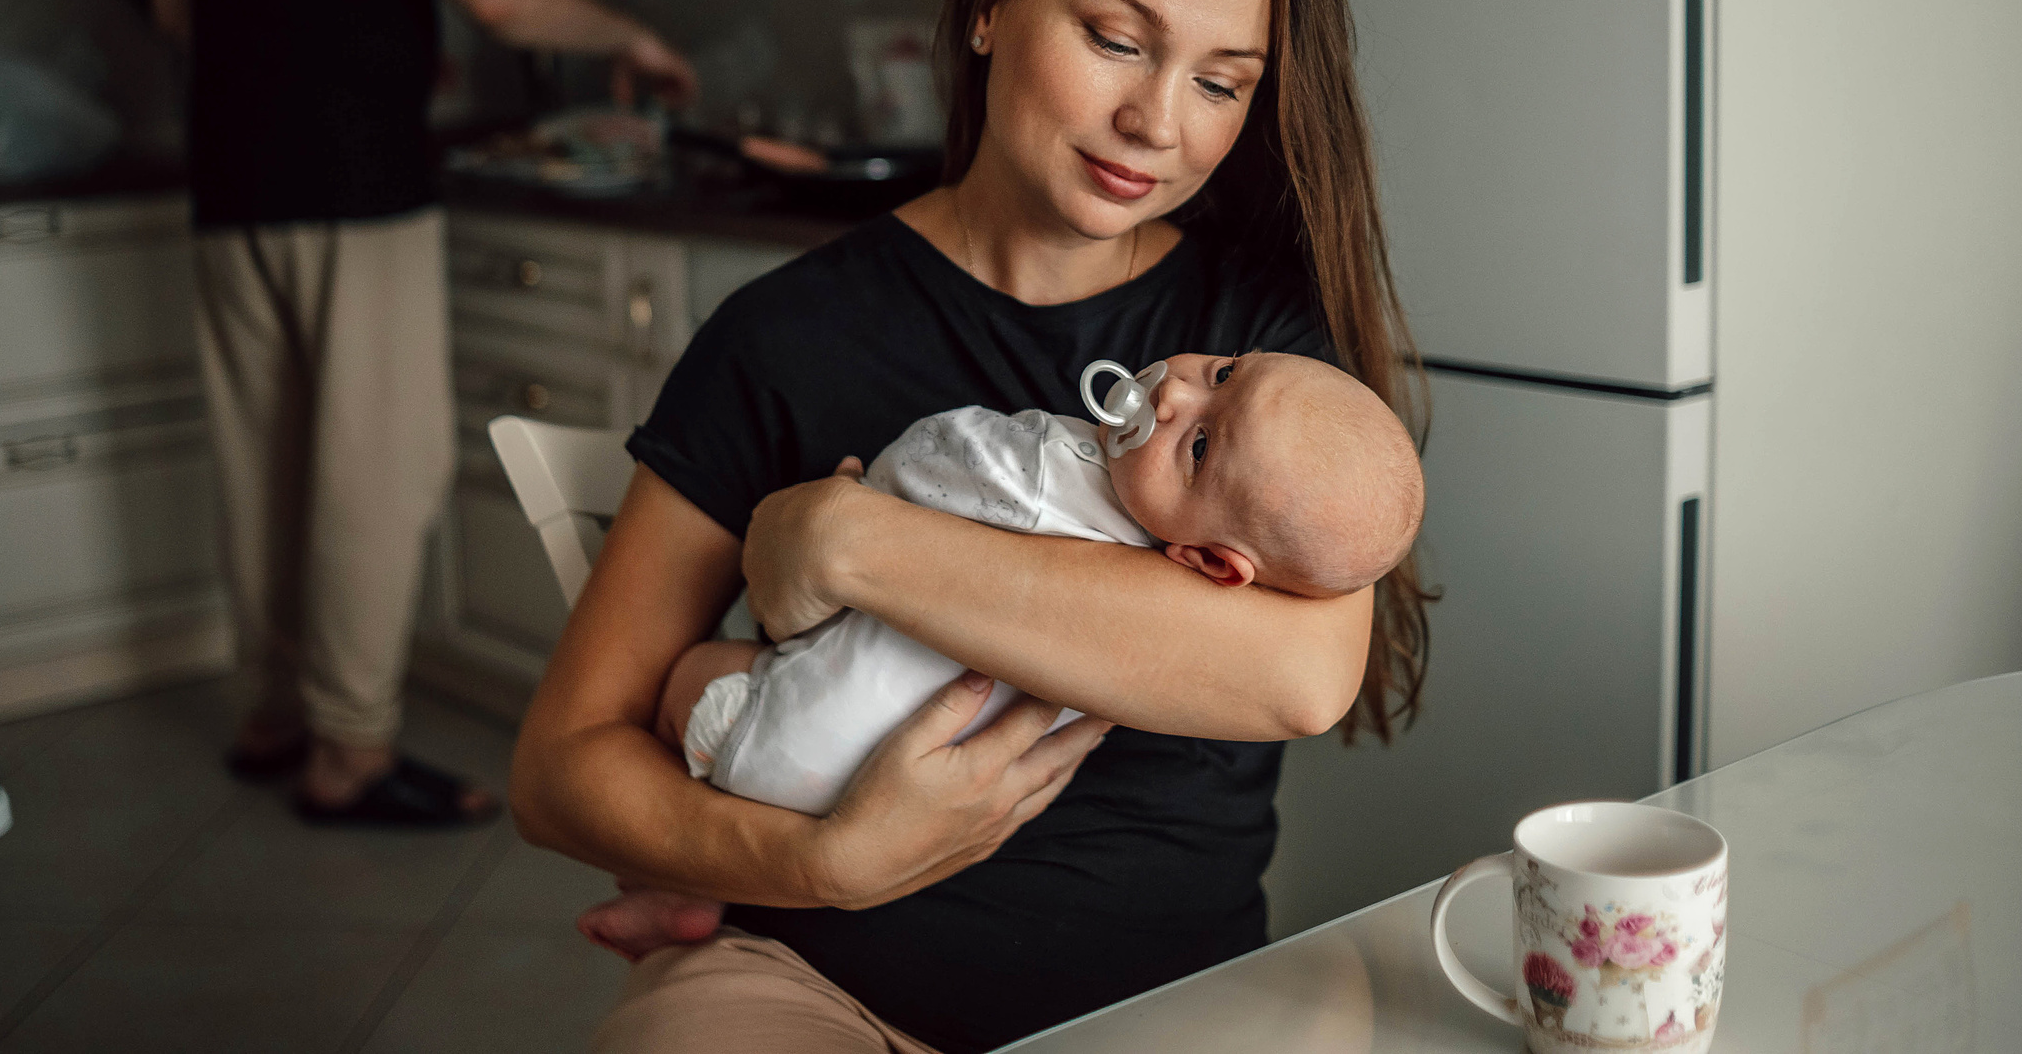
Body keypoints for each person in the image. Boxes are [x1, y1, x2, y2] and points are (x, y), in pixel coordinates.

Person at [510, 0, 1434, 1053]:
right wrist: (825, 862)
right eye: (1116, 39)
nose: (1158, 124)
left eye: (1221, 83)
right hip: (811, 980)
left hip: (1172, 1005)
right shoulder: (789, 334)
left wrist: (846, 544)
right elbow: (561, 765)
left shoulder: (1254, 340)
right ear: (994, 5)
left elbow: (1302, 673)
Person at [150, 0, 696, 827]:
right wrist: (630, 37)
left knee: (265, 462)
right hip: (355, 191)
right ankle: (349, 752)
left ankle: (272, 712)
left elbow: (182, 8)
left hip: (228, 189)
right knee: (374, 476)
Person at [578, 349, 1424, 960]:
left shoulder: (1046, 467)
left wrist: (854, 505)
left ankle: (686, 884)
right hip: (934, 785)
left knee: (693, 677)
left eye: (1199, 446)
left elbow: (932, 456)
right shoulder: (1188, 605)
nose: (1173, 397)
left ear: (1210, 561)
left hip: (787, 734)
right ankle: (701, 890)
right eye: (1225, 371)